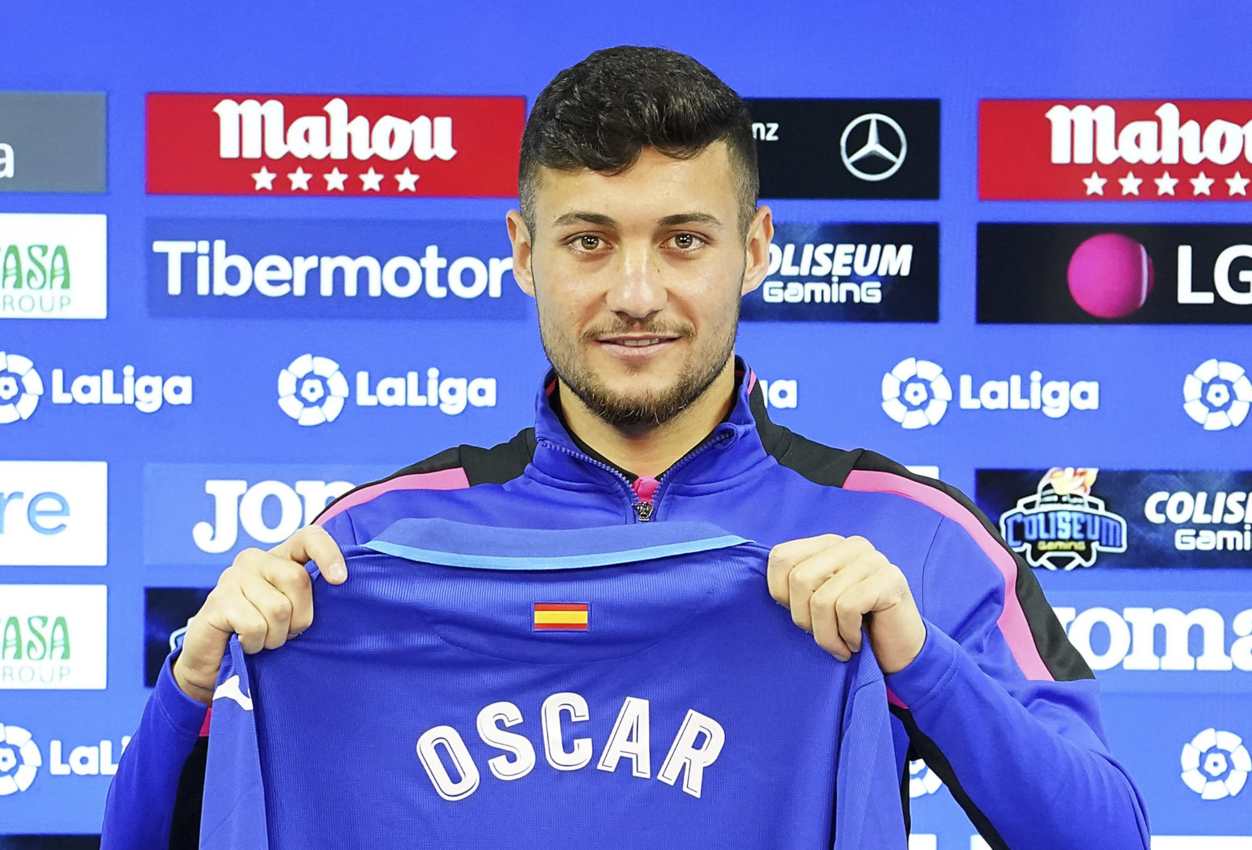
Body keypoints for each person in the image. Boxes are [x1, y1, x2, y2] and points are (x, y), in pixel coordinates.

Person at [102, 46, 1150, 850]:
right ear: (523, 252)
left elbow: (1107, 832)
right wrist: (191, 681)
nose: (636, 294)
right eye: (589, 241)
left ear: (755, 250)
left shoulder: (906, 536)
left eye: (683, 241)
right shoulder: (362, 547)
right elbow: (137, 838)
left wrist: (922, 662)